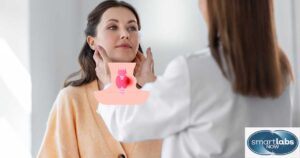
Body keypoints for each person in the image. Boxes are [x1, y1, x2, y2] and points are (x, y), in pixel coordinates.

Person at [95, 0, 294, 157]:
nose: (199, 5)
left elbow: (124, 124)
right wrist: (151, 85)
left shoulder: (194, 71)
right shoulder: (280, 69)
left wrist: (110, 84)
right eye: (112, 27)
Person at [37, 0, 161, 158]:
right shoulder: (72, 99)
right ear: (92, 41)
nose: (125, 34)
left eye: (132, 28)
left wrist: (152, 88)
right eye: (112, 27)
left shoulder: (156, 95)